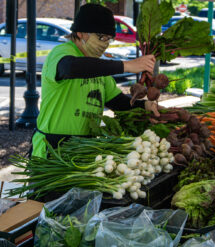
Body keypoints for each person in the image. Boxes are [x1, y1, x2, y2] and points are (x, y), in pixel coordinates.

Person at [31, 4, 159, 158]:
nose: (105, 44)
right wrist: (127, 65)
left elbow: (117, 102)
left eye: (109, 39)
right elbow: (70, 68)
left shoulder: (98, 66)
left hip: (86, 148)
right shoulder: (62, 53)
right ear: (81, 33)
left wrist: (145, 105)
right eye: (101, 37)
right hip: (52, 147)